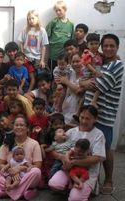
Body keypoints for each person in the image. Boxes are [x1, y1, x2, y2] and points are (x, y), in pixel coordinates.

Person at [81, 33, 124, 194]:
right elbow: (83, 79)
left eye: (112, 46)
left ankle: (109, 179)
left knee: (106, 148)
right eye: (105, 45)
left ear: (117, 47)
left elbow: (101, 84)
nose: (108, 48)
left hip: (105, 114)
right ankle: (92, 179)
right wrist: (84, 82)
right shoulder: (99, 62)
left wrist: (86, 83)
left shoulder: (117, 64)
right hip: (88, 113)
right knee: (89, 147)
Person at [48, 105, 106, 200]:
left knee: (75, 198)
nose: (83, 121)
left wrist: (73, 161)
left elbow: (97, 158)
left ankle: (80, 191)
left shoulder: (98, 134)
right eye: (82, 117)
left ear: (95, 119)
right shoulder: (71, 132)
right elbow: (55, 148)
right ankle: (69, 188)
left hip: (87, 172)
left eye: (88, 118)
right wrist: (63, 157)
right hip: (69, 169)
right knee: (54, 184)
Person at [0, 116, 42, 200]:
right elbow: (0, 164)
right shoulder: (7, 143)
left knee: (36, 171)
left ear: (27, 128)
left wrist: (20, 169)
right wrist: (12, 171)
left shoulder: (34, 143)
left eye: (22, 125)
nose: (19, 127)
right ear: (13, 127)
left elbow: (38, 165)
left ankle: (6, 193)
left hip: (27, 176)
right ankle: (23, 192)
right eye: (16, 125)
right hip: (10, 177)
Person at [18, 10, 49, 75]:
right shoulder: (25, 29)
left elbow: (44, 46)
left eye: (33, 18)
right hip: (27, 57)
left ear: (37, 18)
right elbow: (20, 42)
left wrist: (42, 60)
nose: (31, 20)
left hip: (37, 58)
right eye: (29, 19)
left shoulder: (42, 30)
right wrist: (23, 55)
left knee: (39, 75)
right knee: (27, 75)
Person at [56, 53, 83, 126]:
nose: (75, 64)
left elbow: (79, 90)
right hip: (65, 108)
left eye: (78, 61)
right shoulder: (71, 72)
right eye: (73, 62)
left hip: (76, 112)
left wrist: (66, 81)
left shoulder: (86, 74)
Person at [46, 0, 74, 71]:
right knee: (52, 74)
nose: (58, 12)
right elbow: (46, 36)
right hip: (54, 55)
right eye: (56, 11)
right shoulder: (53, 22)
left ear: (65, 10)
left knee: (64, 73)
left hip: (65, 55)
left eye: (60, 10)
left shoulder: (71, 24)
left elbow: (72, 41)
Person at [81, 33, 103, 108]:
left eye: (96, 43)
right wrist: (95, 72)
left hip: (95, 74)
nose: (94, 46)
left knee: (87, 94)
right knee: (99, 85)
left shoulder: (98, 54)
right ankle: (93, 101)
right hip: (89, 75)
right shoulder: (87, 53)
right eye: (91, 44)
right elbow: (87, 64)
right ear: (87, 45)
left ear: (99, 44)